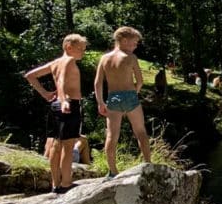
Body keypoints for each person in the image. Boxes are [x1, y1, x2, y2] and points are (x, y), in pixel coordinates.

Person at [25, 33, 88, 194]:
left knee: (54, 143)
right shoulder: (68, 61)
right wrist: (65, 99)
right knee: (67, 145)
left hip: (55, 106)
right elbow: (61, 82)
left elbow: (30, 76)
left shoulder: (55, 63)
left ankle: (55, 184)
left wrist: (45, 94)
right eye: (80, 49)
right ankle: (66, 183)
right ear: (69, 47)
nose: (83, 52)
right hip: (68, 104)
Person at [95, 26, 152, 178]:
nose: (135, 46)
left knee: (112, 136)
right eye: (134, 43)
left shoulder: (104, 58)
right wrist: (134, 93)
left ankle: (112, 171)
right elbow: (140, 81)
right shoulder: (131, 58)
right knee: (140, 132)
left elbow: (98, 83)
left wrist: (100, 102)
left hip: (113, 97)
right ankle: (148, 164)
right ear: (124, 40)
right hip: (130, 95)